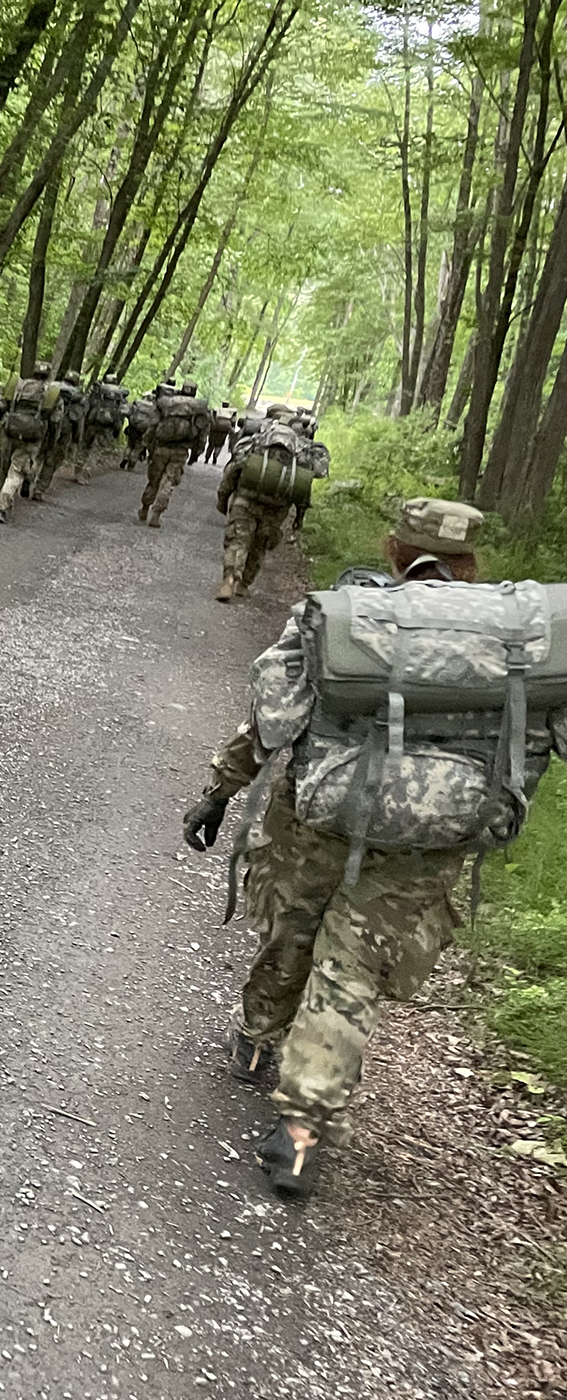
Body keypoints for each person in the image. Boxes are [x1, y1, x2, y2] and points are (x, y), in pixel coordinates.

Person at [180, 498, 567, 1199]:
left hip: (324, 816)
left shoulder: (340, 616)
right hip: (436, 836)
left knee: (292, 930)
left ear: (392, 550)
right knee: (352, 970)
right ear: (472, 563)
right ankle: (300, 1135)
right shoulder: (524, 641)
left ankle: (257, 1038)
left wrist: (217, 790)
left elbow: (270, 721)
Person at [215, 412, 311, 601]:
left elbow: (234, 470)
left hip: (246, 502)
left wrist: (224, 497)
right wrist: (299, 517)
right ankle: (244, 585)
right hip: (276, 510)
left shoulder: (257, 443)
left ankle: (229, 579)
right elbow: (304, 489)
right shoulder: (301, 453)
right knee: (260, 545)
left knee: (238, 540)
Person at [139, 380, 211, 528]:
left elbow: (153, 425)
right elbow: (202, 435)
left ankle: (145, 508)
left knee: (154, 480)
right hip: (181, 451)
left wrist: (146, 443)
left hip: (161, 448)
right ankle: (157, 514)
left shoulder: (167, 403)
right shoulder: (198, 409)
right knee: (169, 481)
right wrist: (196, 454)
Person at [0, 361, 60, 524]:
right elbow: (55, 421)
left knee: (3, 468)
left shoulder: (18, 385)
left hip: (9, 431)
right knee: (16, 471)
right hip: (31, 437)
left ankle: (0, 498)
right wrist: (51, 444)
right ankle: (2, 506)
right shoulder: (50, 392)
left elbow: (2, 406)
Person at [35, 368, 83, 499]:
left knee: (38, 454)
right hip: (63, 431)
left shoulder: (51, 387)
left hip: (44, 426)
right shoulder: (78, 396)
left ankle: (29, 475)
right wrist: (76, 439)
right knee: (52, 460)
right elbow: (78, 419)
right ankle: (39, 489)